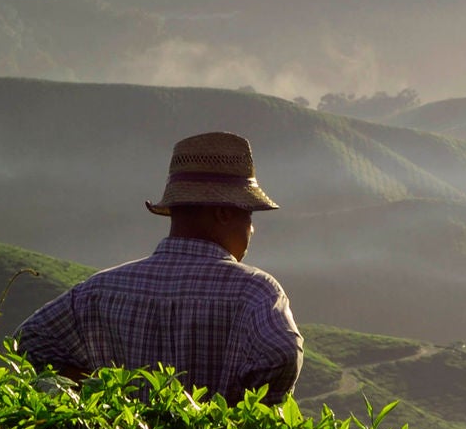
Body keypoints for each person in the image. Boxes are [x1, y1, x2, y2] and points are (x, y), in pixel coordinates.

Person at [16, 131, 303, 402]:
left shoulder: (99, 291)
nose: (252, 230)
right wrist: (240, 413)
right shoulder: (255, 293)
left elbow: (29, 342)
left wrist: (98, 393)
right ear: (224, 213)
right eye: (248, 216)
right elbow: (282, 353)